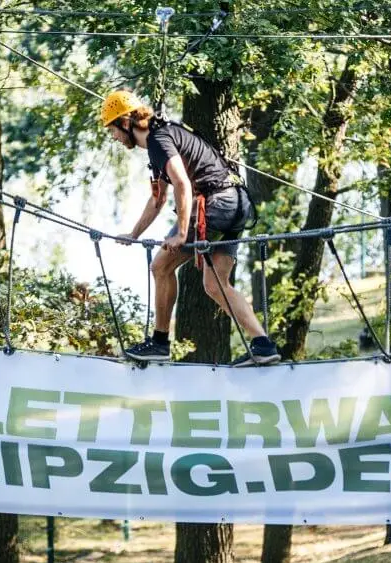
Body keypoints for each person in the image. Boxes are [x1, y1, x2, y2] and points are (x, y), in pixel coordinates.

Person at [101, 90, 281, 367]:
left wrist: (182, 233)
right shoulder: (162, 140)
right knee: (215, 285)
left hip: (215, 205)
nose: (113, 137)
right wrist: (134, 234)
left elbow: (182, 184)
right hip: (237, 205)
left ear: (125, 122)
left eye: (112, 130)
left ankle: (159, 343)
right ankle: (263, 344)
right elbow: (158, 198)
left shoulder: (159, 139)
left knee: (160, 267)